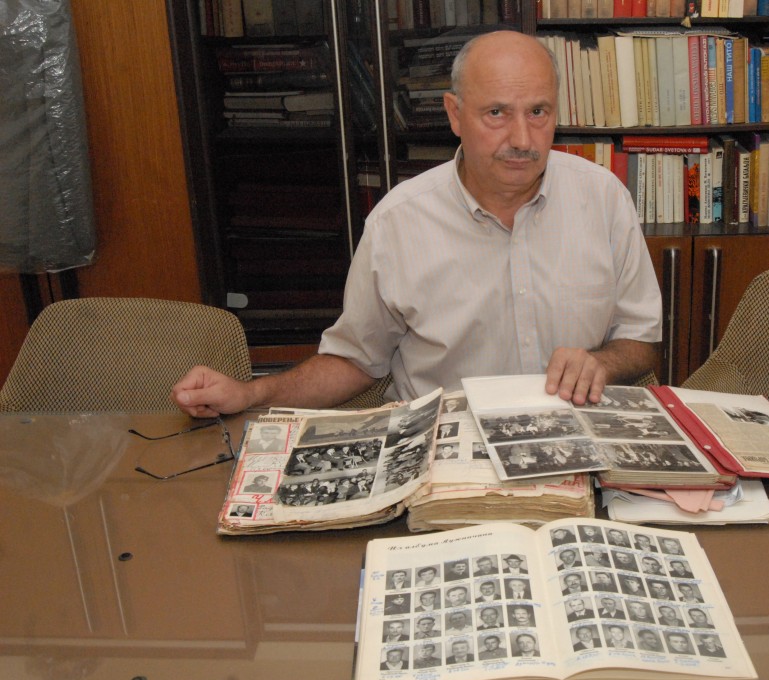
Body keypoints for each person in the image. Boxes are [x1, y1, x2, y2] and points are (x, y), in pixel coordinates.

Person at [170, 30, 661, 416]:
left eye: (538, 112)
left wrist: (601, 363)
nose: (522, 138)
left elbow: (641, 343)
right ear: (454, 114)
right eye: (496, 113)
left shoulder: (603, 198)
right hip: (446, 452)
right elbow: (355, 360)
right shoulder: (398, 223)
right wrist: (252, 394)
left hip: (574, 437)